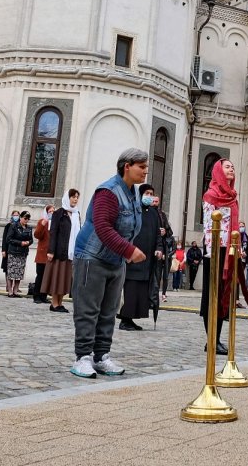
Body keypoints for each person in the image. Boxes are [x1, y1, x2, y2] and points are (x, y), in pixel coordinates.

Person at [70, 148, 147, 379]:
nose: (145, 171)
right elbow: (103, 226)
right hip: (91, 258)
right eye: (141, 167)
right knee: (88, 310)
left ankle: (101, 356)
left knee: (109, 311)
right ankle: (82, 357)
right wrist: (129, 249)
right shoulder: (108, 192)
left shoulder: (134, 193)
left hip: (115, 261)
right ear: (127, 166)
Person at [199, 158, 239, 355]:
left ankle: (218, 338)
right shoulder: (210, 195)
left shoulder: (232, 196)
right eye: (227, 167)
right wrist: (212, 252)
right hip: (214, 251)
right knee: (212, 295)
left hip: (229, 251)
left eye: (232, 167)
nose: (231, 169)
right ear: (218, 171)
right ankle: (211, 339)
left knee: (224, 295)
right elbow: (208, 226)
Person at [119, 184, 160, 331]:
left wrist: (159, 249)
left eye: (151, 193)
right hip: (133, 257)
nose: (149, 196)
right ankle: (124, 319)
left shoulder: (154, 213)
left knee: (141, 292)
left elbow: (157, 234)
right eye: (146, 193)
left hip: (147, 260)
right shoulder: (134, 210)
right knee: (131, 290)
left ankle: (132, 318)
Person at [41, 189, 79, 312]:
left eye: (77, 197)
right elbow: (53, 233)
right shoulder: (59, 213)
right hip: (58, 252)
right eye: (73, 197)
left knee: (65, 280)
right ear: (67, 198)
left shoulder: (76, 214)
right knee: (57, 278)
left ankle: (60, 303)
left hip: (70, 253)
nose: (75, 199)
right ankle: (54, 304)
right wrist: (51, 251)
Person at [5, 211, 33, 297]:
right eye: (25, 218)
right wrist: (20, 243)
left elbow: (31, 239)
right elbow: (9, 239)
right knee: (11, 272)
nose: (26, 220)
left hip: (23, 253)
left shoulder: (29, 228)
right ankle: (10, 291)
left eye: (28, 219)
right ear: (21, 217)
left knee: (19, 273)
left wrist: (28, 242)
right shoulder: (14, 226)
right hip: (14, 252)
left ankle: (15, 290)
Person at [32, 203, 54, 303]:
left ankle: (43, 296)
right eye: (50, 212)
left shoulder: (55, 223)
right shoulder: (42, 221)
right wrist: (43, 224)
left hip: (51, 254)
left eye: (53, 212)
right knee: (40, 276)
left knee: (47, 277)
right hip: (42, 254)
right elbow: (37, 235)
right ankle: (36, 296)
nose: (51, 213)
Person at [1, 209, 20, 277]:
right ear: (12, 216)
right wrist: (3, 250)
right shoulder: (8, 225)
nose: (15, 216)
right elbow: (4, 238)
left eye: (17, 215)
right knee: (7, 267)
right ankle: (8, 285)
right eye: (14, 215)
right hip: (8, 248)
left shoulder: (20, 226)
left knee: (16, 267)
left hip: (17, 249)